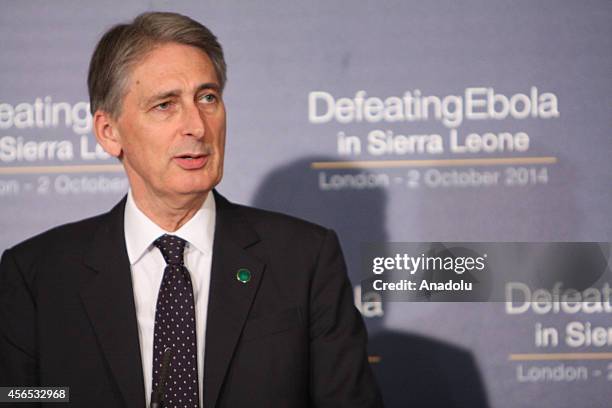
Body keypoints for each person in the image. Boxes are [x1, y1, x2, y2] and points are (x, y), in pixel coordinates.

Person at [0, 11, 383, 408]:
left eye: (207, 98)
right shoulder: (36, 276)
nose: (197, 126)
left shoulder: (304, 259)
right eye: (165, 105)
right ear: (109, 132)